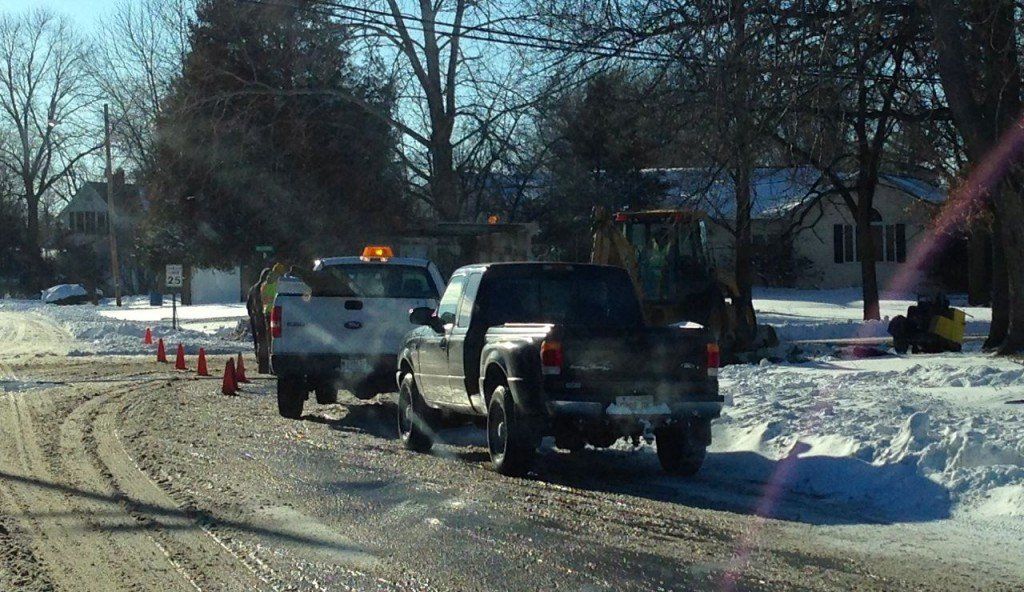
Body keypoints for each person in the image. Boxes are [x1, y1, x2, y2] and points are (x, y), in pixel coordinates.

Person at [247, 268, 271, 373]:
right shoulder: (266, 287)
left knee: (259, 341)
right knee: (265, 341)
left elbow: (249, 304)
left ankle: (261, 363)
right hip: (263, 316)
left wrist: (252, 315)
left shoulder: (254, 288)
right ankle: (264, 365)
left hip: (256, 317)